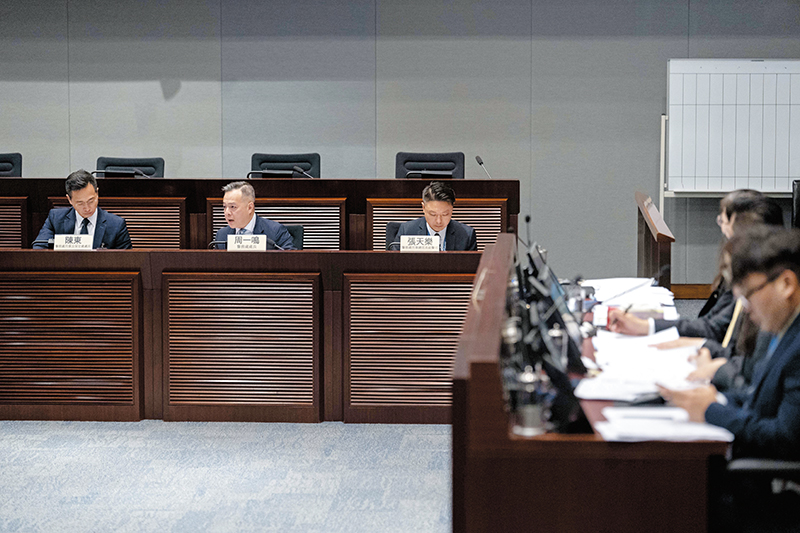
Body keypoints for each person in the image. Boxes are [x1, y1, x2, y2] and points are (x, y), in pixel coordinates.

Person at [658, 225, 800, 461]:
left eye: (749, 294)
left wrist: (712, 410)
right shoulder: (779, 330)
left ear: (786, 284)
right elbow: (760, 399)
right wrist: (708, 398)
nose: (744, 307)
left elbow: (784, 439)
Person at [608, 190, 783, 343]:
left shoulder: (756, 278)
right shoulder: (741, 264)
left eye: (724, 220)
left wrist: (647, 326)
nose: (721, 226)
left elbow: (715, 330)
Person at [33, 169, 132, 249]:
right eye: (80, 203)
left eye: (91, 201)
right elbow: (39, 250)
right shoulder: (55, 219)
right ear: (69, 200)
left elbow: (127, 262)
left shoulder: (116, 225)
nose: (87, 208)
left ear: (97, 193)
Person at [393, 181, 477, 251]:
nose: (439, 221)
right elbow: (395, 265)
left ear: (452, 208)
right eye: (433, 214)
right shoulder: (407, 232)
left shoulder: (467, 236)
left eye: (445, 214)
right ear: (423, 207)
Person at [214, 181, 295, 250]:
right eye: (224, 207)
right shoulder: (222, 235)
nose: (227, 212)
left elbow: (291, 260)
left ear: (250, 207)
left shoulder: (275, 231)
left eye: (232, 207)